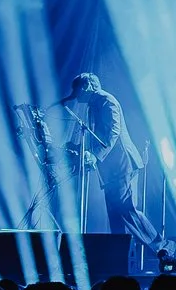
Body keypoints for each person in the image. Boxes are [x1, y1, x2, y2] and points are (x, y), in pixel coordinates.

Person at [61, 71, 153, 245]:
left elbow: (113, 132)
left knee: (126, 210)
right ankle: (119, 253)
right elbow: (97, 136)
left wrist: (95, 155)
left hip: (121, 164)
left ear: (87, 86)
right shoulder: (94, 105)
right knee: (116, 213)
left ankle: (164, 249)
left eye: (77, 90)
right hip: (111, 168)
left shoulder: (106, 101)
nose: (76, 95)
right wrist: (80, 149)